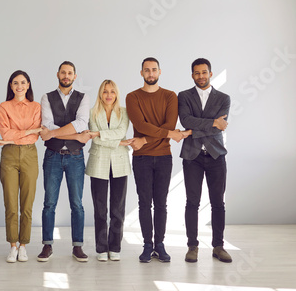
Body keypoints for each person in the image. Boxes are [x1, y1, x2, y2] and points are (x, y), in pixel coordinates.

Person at [126, 57, 184, 263]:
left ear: (160, 72)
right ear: (141, 73)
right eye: (147, 70)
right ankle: (147, 245)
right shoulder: (132, 97)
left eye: (154, 70)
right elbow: (141, 125)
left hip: (163, 157)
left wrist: (145, 140)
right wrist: (167, 134)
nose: (150, 73)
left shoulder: (170, 96)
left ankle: (160, 244)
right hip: (141, 158)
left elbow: (170, 124)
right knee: (144, 203)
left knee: (161, 204)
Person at [178, 58, 232, 263]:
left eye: (204, 72)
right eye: (197, 73)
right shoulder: (183, 96)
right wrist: (211, 124)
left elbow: (221, 125)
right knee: (192, 202)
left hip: (216, 155)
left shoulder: (224, 98)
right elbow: (185, 120)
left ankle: (218, 246)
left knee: (218, 203)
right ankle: (192, 246)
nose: (201, 76)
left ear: (211, 73)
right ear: (192, 75)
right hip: (192, 156)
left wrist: (194, 130)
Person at [38, 61, 91, 262]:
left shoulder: (83, 97)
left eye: (70, 73)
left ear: (75, 76)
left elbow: (82, 123)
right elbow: (47, 124)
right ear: (57, 74)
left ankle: (77, 246)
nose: (66, 76)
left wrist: (53, 133)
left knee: (77, 203)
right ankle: (47, 245)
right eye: (63, 72)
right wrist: (76, 135)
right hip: (52, 156)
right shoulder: (47, 97)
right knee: (49, 203)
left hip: (76, 157)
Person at [0, 70, 42, 263]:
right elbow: (5, 134)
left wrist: (22, 132)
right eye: (15, 83)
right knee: (10, 202)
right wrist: (29, 130)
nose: (19, 86)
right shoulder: (4, 106)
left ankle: (23, 245)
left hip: (29, 155)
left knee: (27, 203)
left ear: (28, 85)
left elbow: (35, 136)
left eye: (23, 82)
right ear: (10, 86)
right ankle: (12, 245)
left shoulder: (36, 106)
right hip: (8, 155)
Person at [85, 80, 132, 262]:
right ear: (100, 94)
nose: (109, 95)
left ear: (116, 94)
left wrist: (100, 134)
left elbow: (120, 132)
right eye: (105, 91)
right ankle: (101, 248)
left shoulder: (124, 112)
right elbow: (95, 140)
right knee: (100, 209)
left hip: (120, 163)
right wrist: (119, 143)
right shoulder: (92, 113)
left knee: (117, 208)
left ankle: (115, 247)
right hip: (98, 163)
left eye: (112, 91)